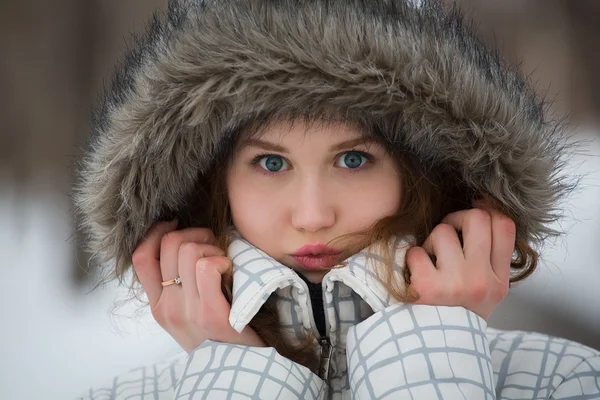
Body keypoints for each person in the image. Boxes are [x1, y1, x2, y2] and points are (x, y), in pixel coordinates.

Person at [74, 0, 600, 398]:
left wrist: (433, 343)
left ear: (423, 171)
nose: (312, 215)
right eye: (271, 163)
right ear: (211, 183)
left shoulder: (568, 381)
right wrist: (233, 371)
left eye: (353, 160)